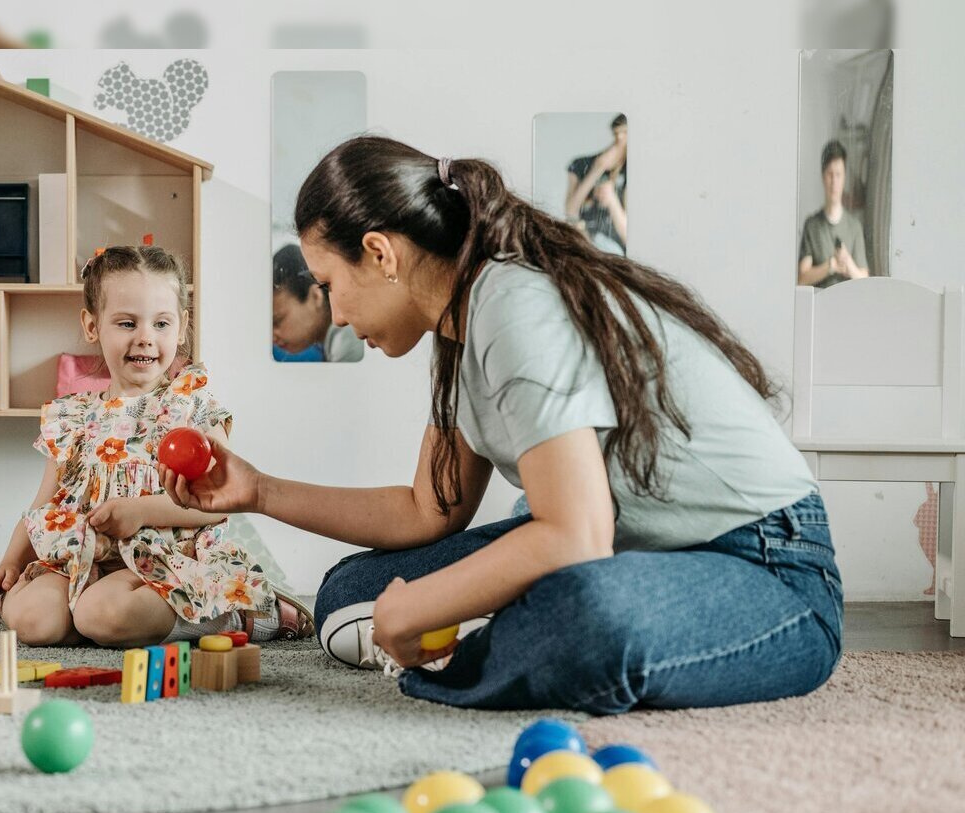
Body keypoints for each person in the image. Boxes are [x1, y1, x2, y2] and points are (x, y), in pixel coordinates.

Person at [160, 135, 842, 713]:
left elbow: (575, 536)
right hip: (636, 546)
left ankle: (488, 633)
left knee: (584, 615)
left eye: (330, 283)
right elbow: (427, 511)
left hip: (767, 566)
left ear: (381, 253)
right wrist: (257, 491)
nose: (334, 315)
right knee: (348, 591)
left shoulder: (513, 305)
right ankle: (491, 623)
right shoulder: (459, 326)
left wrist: (420, 606)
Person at [0, 245, 313, 646]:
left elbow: (219, 504)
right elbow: (43, 509)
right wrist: (9, 563)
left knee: (103, 613)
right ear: (91, 325)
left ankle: (237, 614)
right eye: (126, 323)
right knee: (31, 620)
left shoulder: (192, 406)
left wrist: (139, 511)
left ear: (182, 326)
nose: (145, 338)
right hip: (82, 559)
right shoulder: (71, 417)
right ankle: (96, 619)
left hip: (165, 560)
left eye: (161, 324)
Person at [273, 243, 364, 362]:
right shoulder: (333, 343)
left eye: (277, 321)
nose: (272, 337)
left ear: (316, 297)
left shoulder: (347, 342)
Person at [798, 139, 870, 288]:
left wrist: (848, 263)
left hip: (848, 306)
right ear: (823, 176)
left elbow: (865, 280)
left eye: (838, 175)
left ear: (844, 178)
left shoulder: (854, 226)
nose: (834, 182)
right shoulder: (811, 225)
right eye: (830, 174)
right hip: (819, 307)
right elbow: (802, 278)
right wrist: (830, 266)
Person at [564, 114, 628, 255]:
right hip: (585, 244)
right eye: (618, 133)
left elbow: (627, 236)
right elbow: (570, 211)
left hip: (617, 254)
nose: (621, 139)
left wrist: (612, 200)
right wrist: (597, 169)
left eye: (625, 133)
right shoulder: (581, 164)